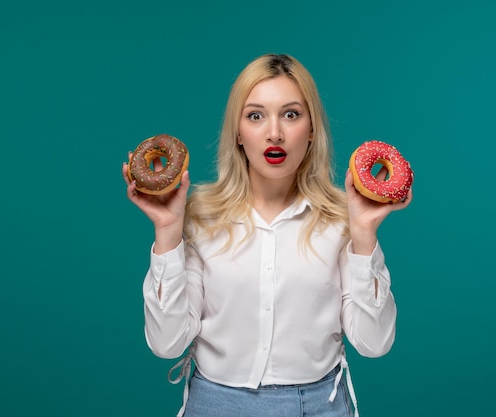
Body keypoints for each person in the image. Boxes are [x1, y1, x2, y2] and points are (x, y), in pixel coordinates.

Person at [122, 53, 412, 417]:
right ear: (238, 133)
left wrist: (365, 235)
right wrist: (167, 231)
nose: (274, 132)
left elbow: (374, 344)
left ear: (311, 130)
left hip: (319, 407)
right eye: (255, 115)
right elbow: (167, 345)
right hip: (214, 406)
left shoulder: (343, 221)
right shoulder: (198, 218)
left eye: (290, 114)